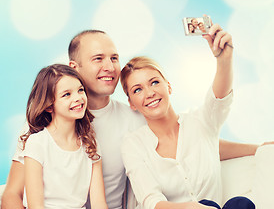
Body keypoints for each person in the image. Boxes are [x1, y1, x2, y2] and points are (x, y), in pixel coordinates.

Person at [1, 29, 264, 209]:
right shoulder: (45, 126)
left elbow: (195, 142)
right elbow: (12, 194)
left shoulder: (135, 118)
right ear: (74, 67)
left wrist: (259, 149)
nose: (110, 66)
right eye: (98, 59)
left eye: (114, 58)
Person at [120, 24, 255, 208]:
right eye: (137, 90)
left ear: (168, 86)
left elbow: (219, 99)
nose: (149, 93)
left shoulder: (201, 122)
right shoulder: (133, 144)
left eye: (154, 82)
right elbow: (151, 201)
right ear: (131, 103)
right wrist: (194, 207)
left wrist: (224, 59)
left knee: (240, 204)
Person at [19, 64, 107, 209]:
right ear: (48, 106)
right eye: (67, 94)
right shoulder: (37, 144)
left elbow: (99, 203)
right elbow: (36, 206)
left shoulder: (91, 144)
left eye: (80, 90)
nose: (78, 98)